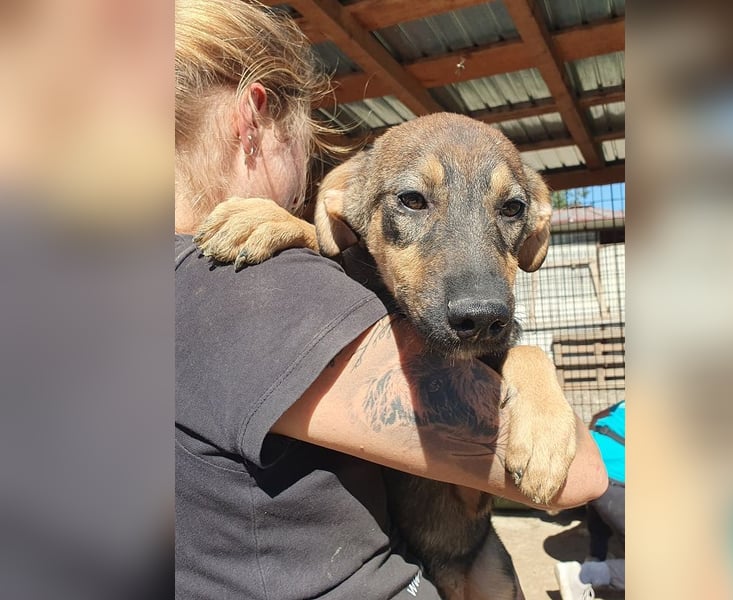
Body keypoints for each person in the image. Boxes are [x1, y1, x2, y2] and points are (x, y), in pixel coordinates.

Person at [175, 1, 608, 598]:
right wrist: (298, 227)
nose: (481, 293)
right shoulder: (248, 288)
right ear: (254, 123)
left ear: (532, 219)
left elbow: (346, 263)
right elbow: (582, 476)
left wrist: (533, 368)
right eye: (413, 200)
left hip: (471, 547)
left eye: (509, 209)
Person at [554, 401, 625, 600]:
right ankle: (582, 577)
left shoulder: (624, 404)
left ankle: (597, 555)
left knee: (600, 506)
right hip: (615, 480)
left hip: (589, 466)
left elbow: (596, 418)